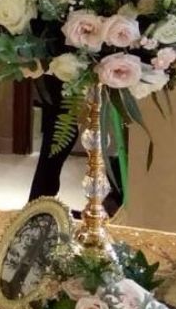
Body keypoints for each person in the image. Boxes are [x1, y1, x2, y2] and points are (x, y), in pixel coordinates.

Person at [28, 76, 122, 215]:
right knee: (59, 132)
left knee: (59, 131)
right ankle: (40, 204)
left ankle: (40, 203)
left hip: (62, 74)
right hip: (60, 73)